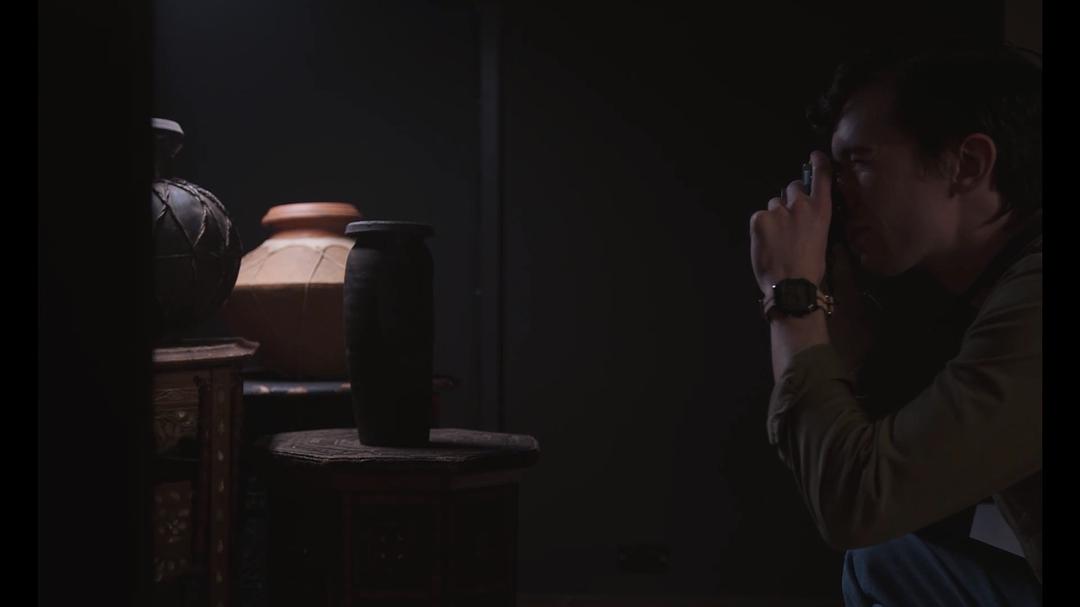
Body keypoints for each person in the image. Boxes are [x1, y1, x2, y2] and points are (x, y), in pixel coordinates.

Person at [748, 42, 1042, 605]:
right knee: (887, 561)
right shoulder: (997, 288)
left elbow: (858, 503)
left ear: (969, 164)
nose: (833, 197)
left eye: (858, 162)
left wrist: (792, 297)